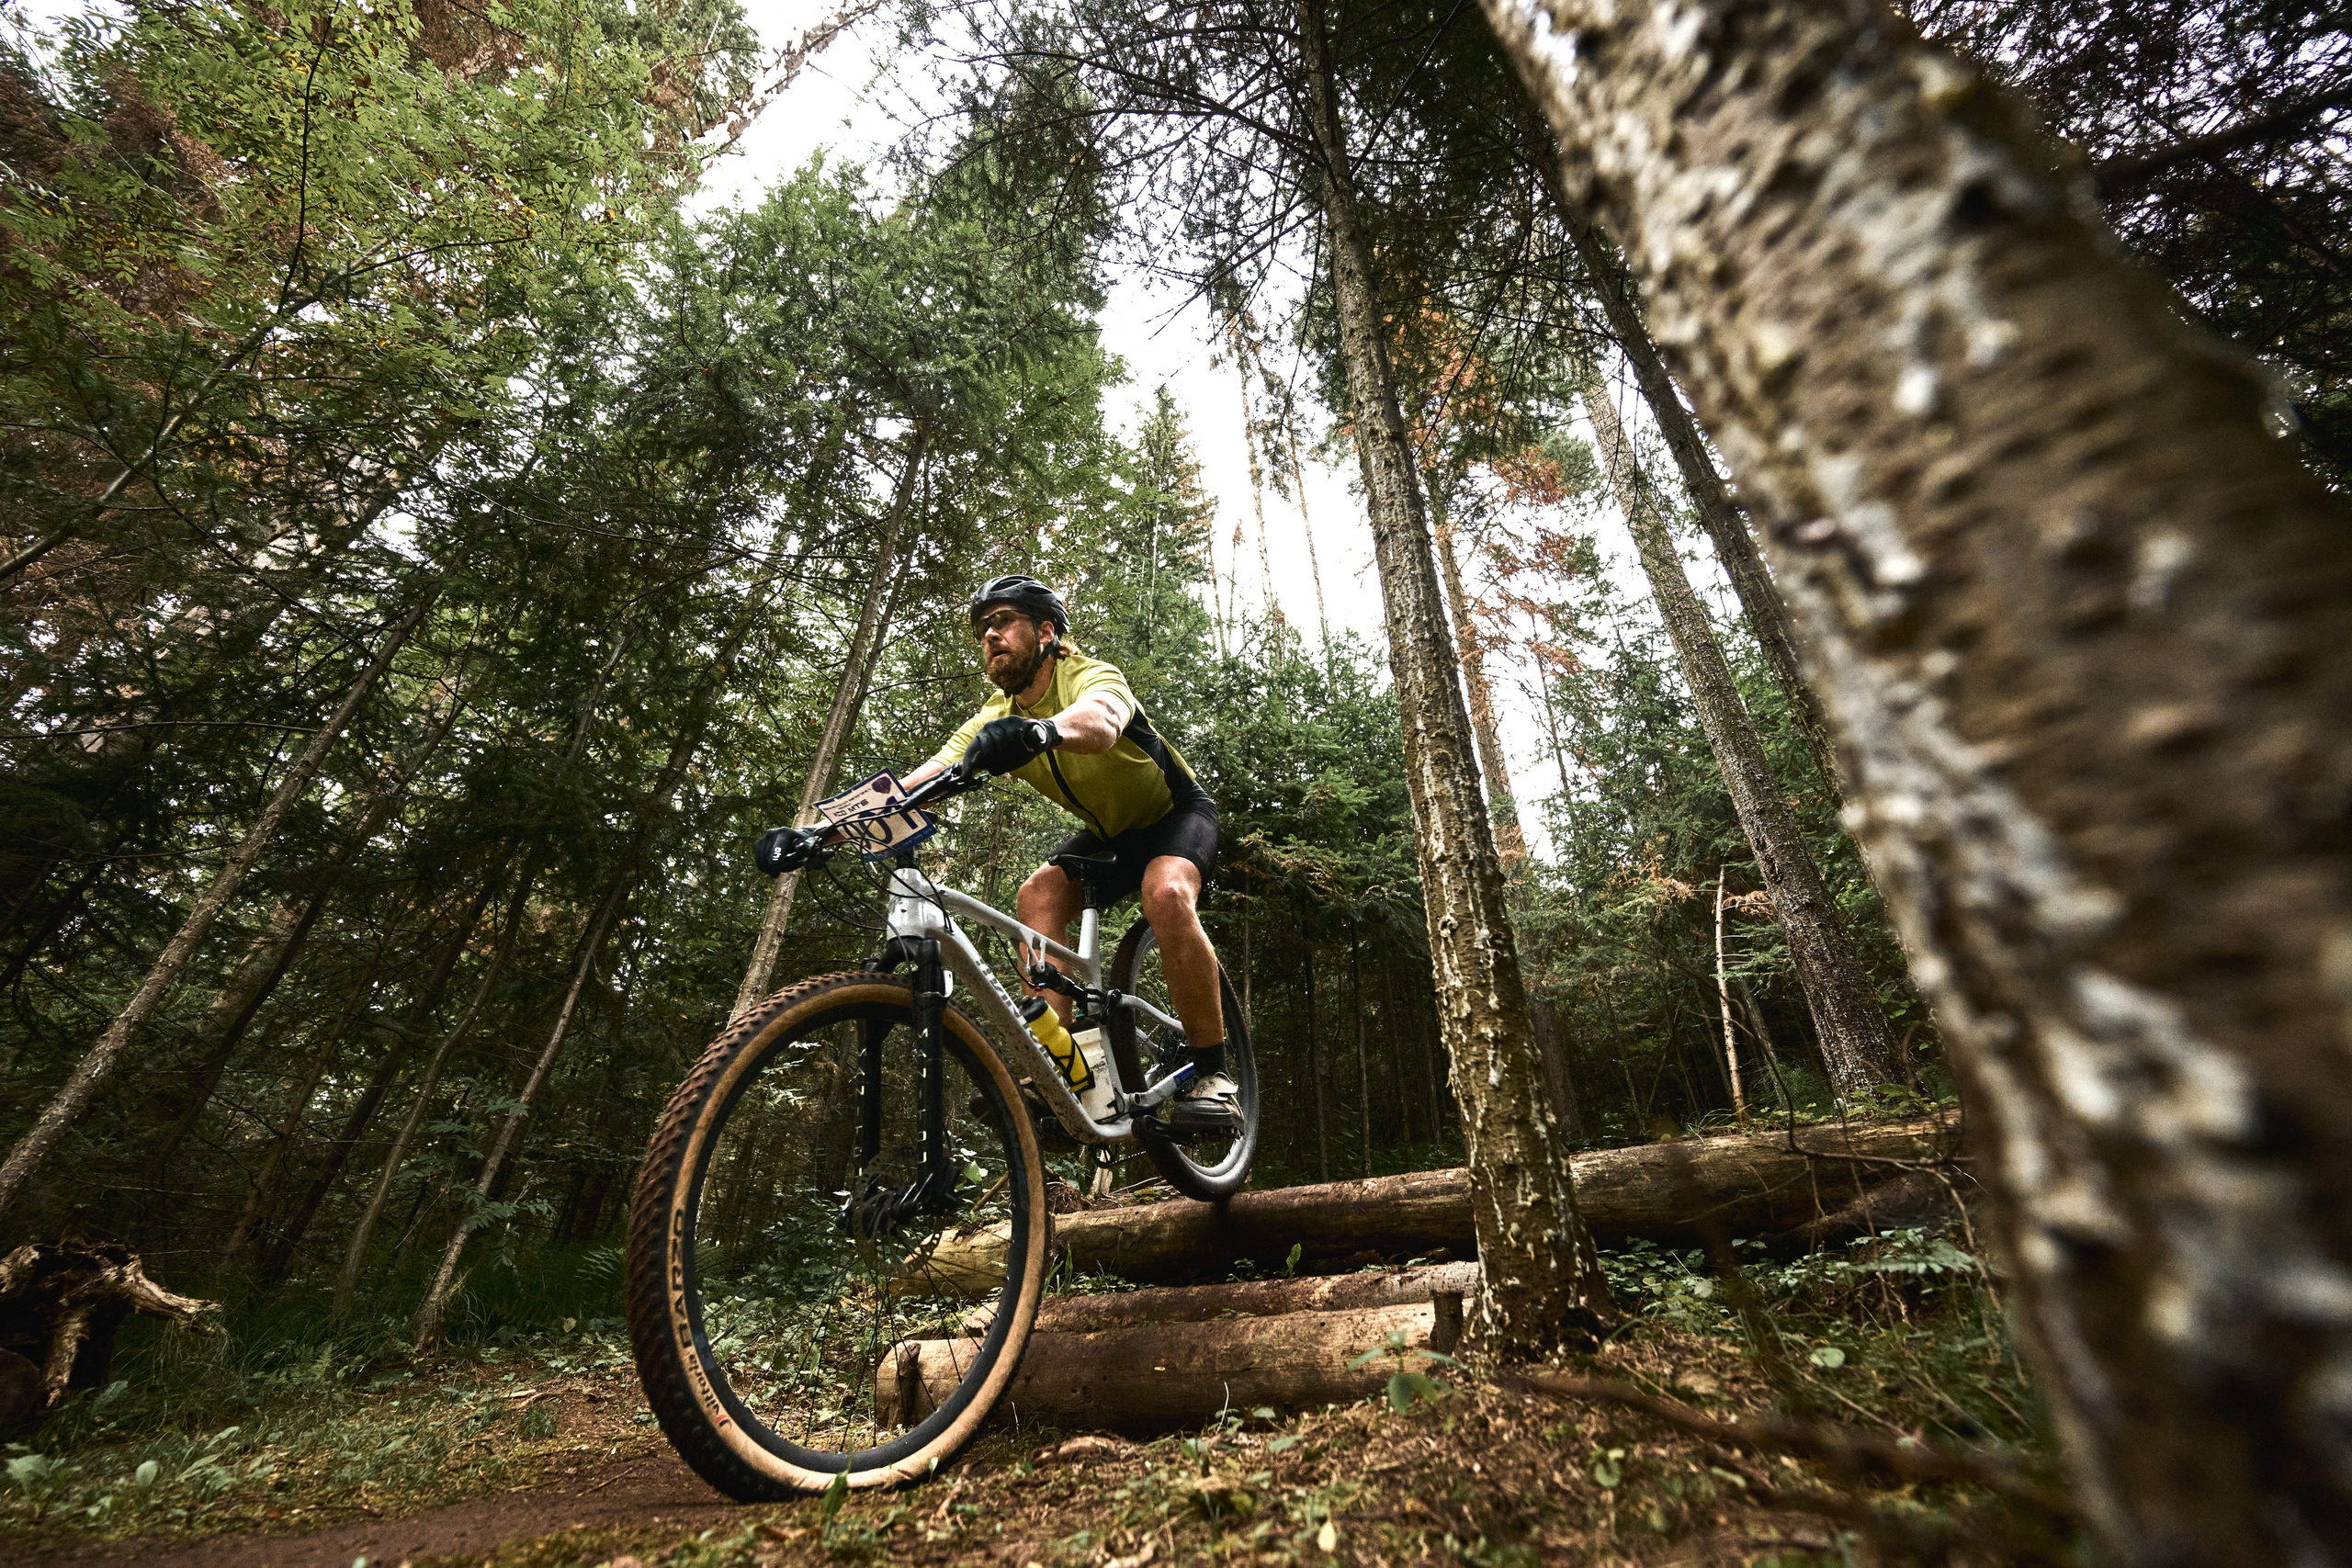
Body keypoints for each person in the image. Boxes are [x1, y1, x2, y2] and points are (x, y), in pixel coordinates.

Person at [899, 574, 1238, 1133]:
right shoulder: (994, 714)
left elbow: (1102, 722)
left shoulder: (1090, 675)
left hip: (1175, 817)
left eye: (1003, 621)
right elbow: (925, 779)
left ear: (1047, 631)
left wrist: (1040, 732)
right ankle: (1059, 1075)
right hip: (1109, 836)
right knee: (1036, 895)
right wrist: (825, 828)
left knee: (1167, 893)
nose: (990, 635)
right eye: (982, 628)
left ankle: (1214, 1074)